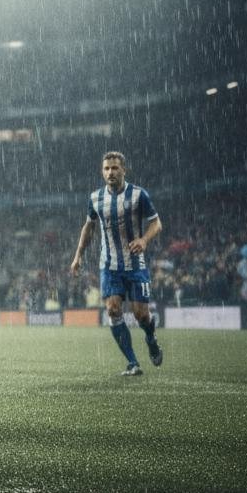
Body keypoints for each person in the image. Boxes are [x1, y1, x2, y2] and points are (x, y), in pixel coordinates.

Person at [70, 151, 163, 376]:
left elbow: (156, 223)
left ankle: (150, 338)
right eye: (106, 169)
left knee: (141, 314)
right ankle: (133, 363)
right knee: (112, 310)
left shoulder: (139, 195)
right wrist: (78, 255)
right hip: (109, 265)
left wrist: (144, 239)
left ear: (123, 170)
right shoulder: (95, 198)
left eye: (114, 168)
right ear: (102, 172)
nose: (110, 172)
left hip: (135, 265)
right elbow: (89, 227)